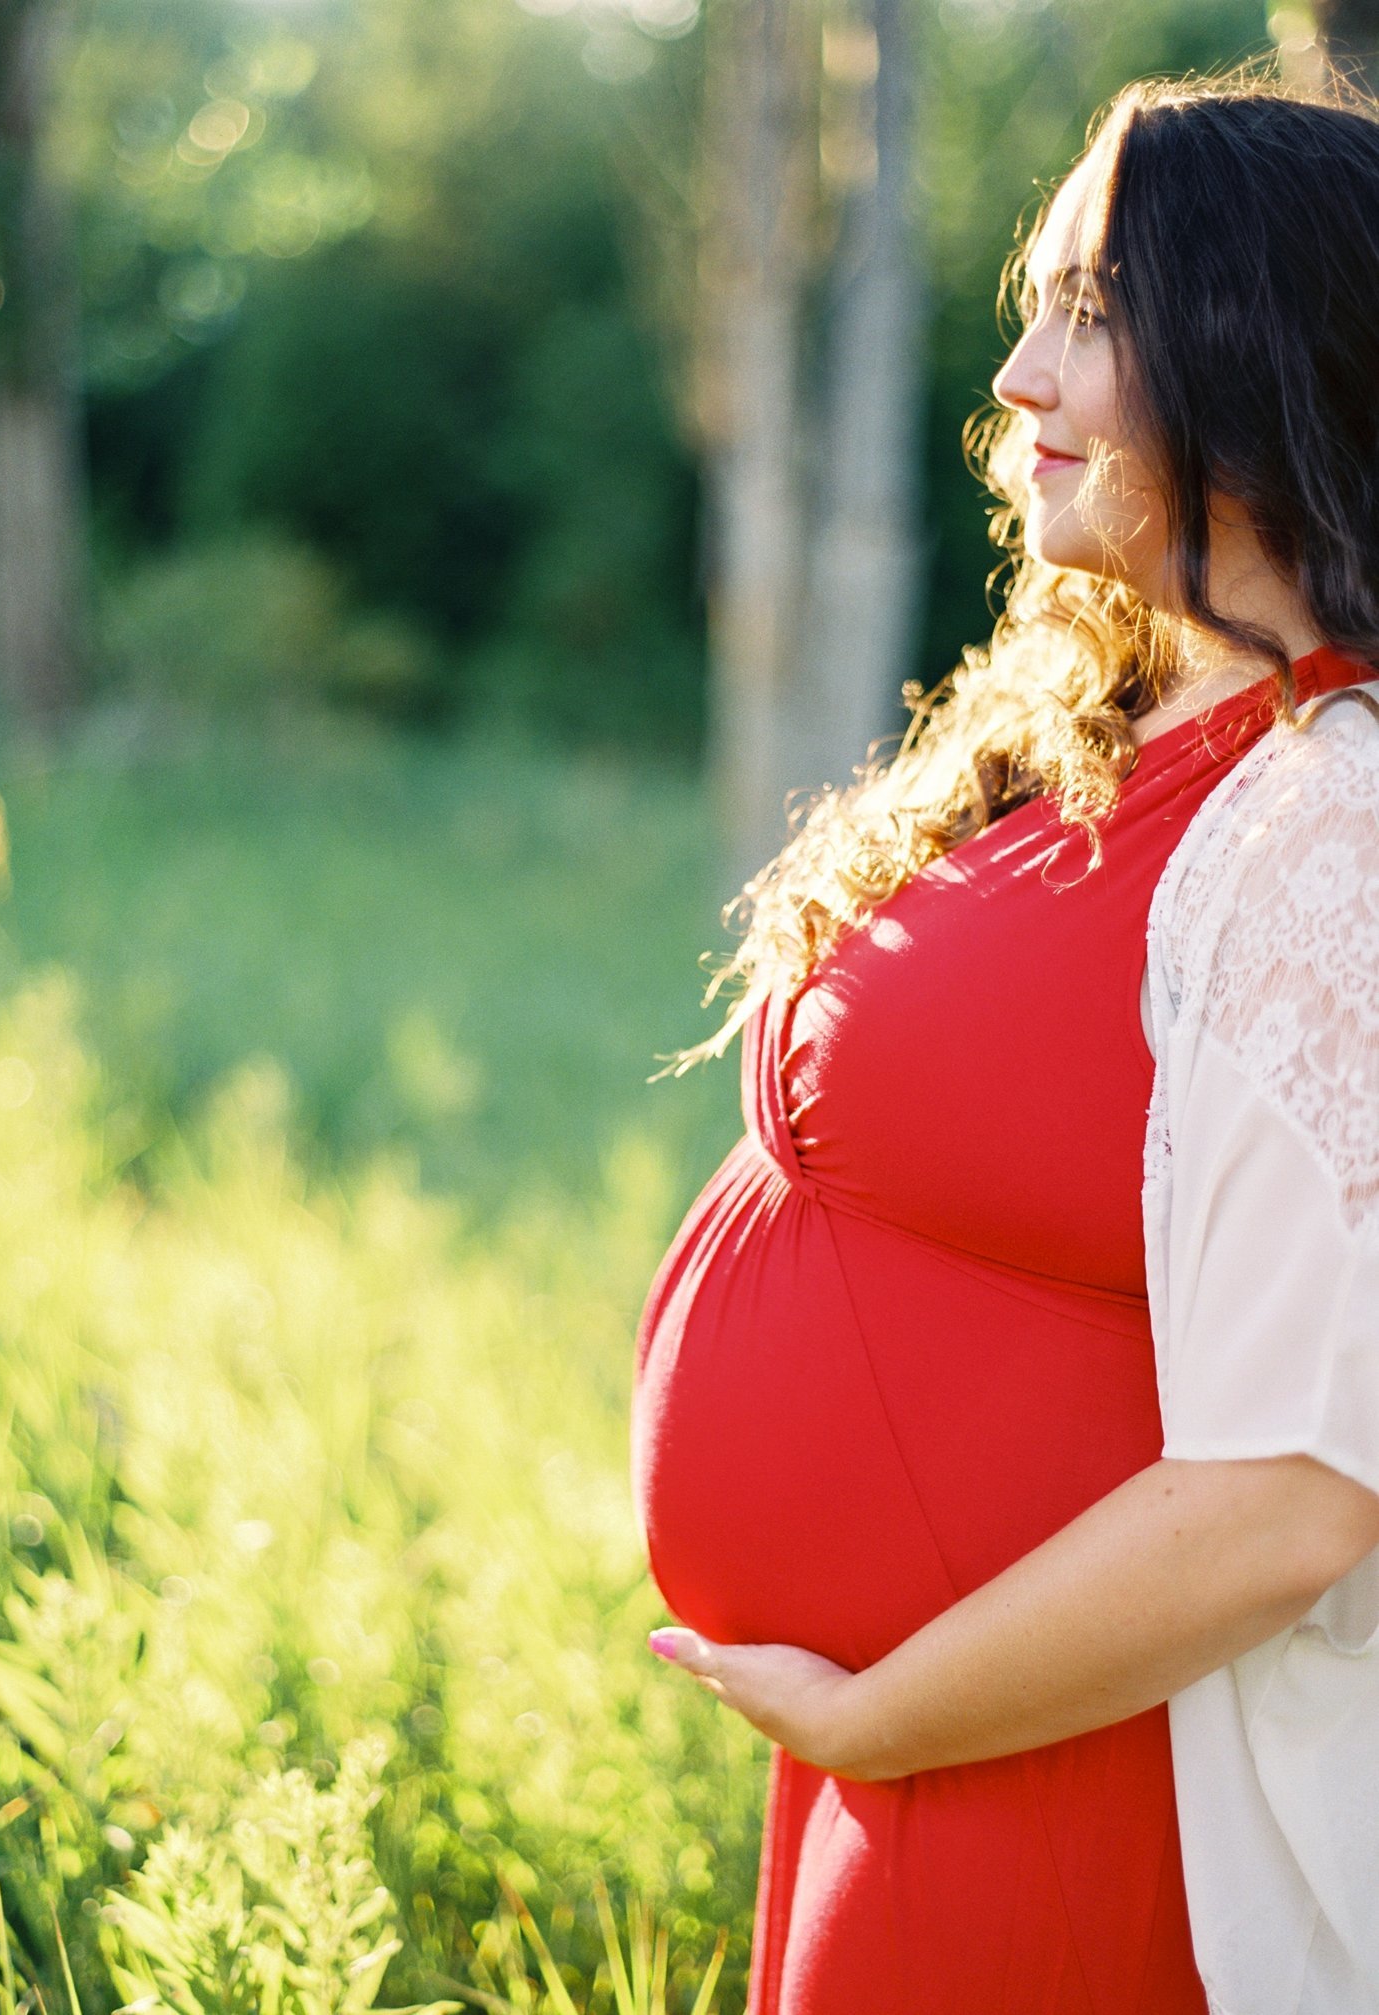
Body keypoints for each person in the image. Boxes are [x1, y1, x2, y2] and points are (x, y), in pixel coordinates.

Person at [630, 71, 1379, 2015]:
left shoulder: (1344, 821)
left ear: (1269, 348)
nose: (1023, 381)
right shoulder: (1111, 717)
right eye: (1031, 306)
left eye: (1096, 313)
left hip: (1074, 1773)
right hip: (922, 1742)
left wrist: (889, 1715)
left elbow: (1301, 1491)